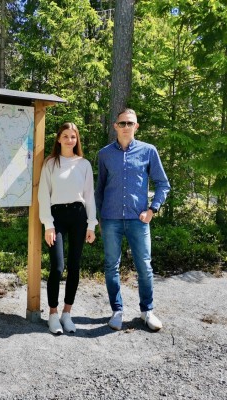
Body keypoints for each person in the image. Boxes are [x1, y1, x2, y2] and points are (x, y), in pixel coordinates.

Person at [95, 108, 170, 332]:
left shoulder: (149, 151)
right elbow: (100, 189)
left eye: (130, 123)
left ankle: (147, 311)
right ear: (115, 126)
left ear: (136, 127)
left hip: (139, 220)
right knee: (111, 266)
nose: (126, 127)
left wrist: (152, 210)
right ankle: (117, 310)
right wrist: (98, 217)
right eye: (122, 123)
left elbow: (163, 184)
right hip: (111, 220)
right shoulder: (105, 154)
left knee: (144, 267)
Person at [38, 122, 97, 334]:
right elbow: (43, 194)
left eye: (73, 136)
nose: (69, 140)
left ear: (76, 140)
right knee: (57, 266)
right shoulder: (51, 163)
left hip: (79, 216)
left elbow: (89, 195)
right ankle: (52, 314)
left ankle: (67, 313)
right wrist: (48, 224)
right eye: (65, 136)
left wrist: (91, 224)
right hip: (57, 217)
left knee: (74, 266)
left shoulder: (84, 164)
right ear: (58, 138)